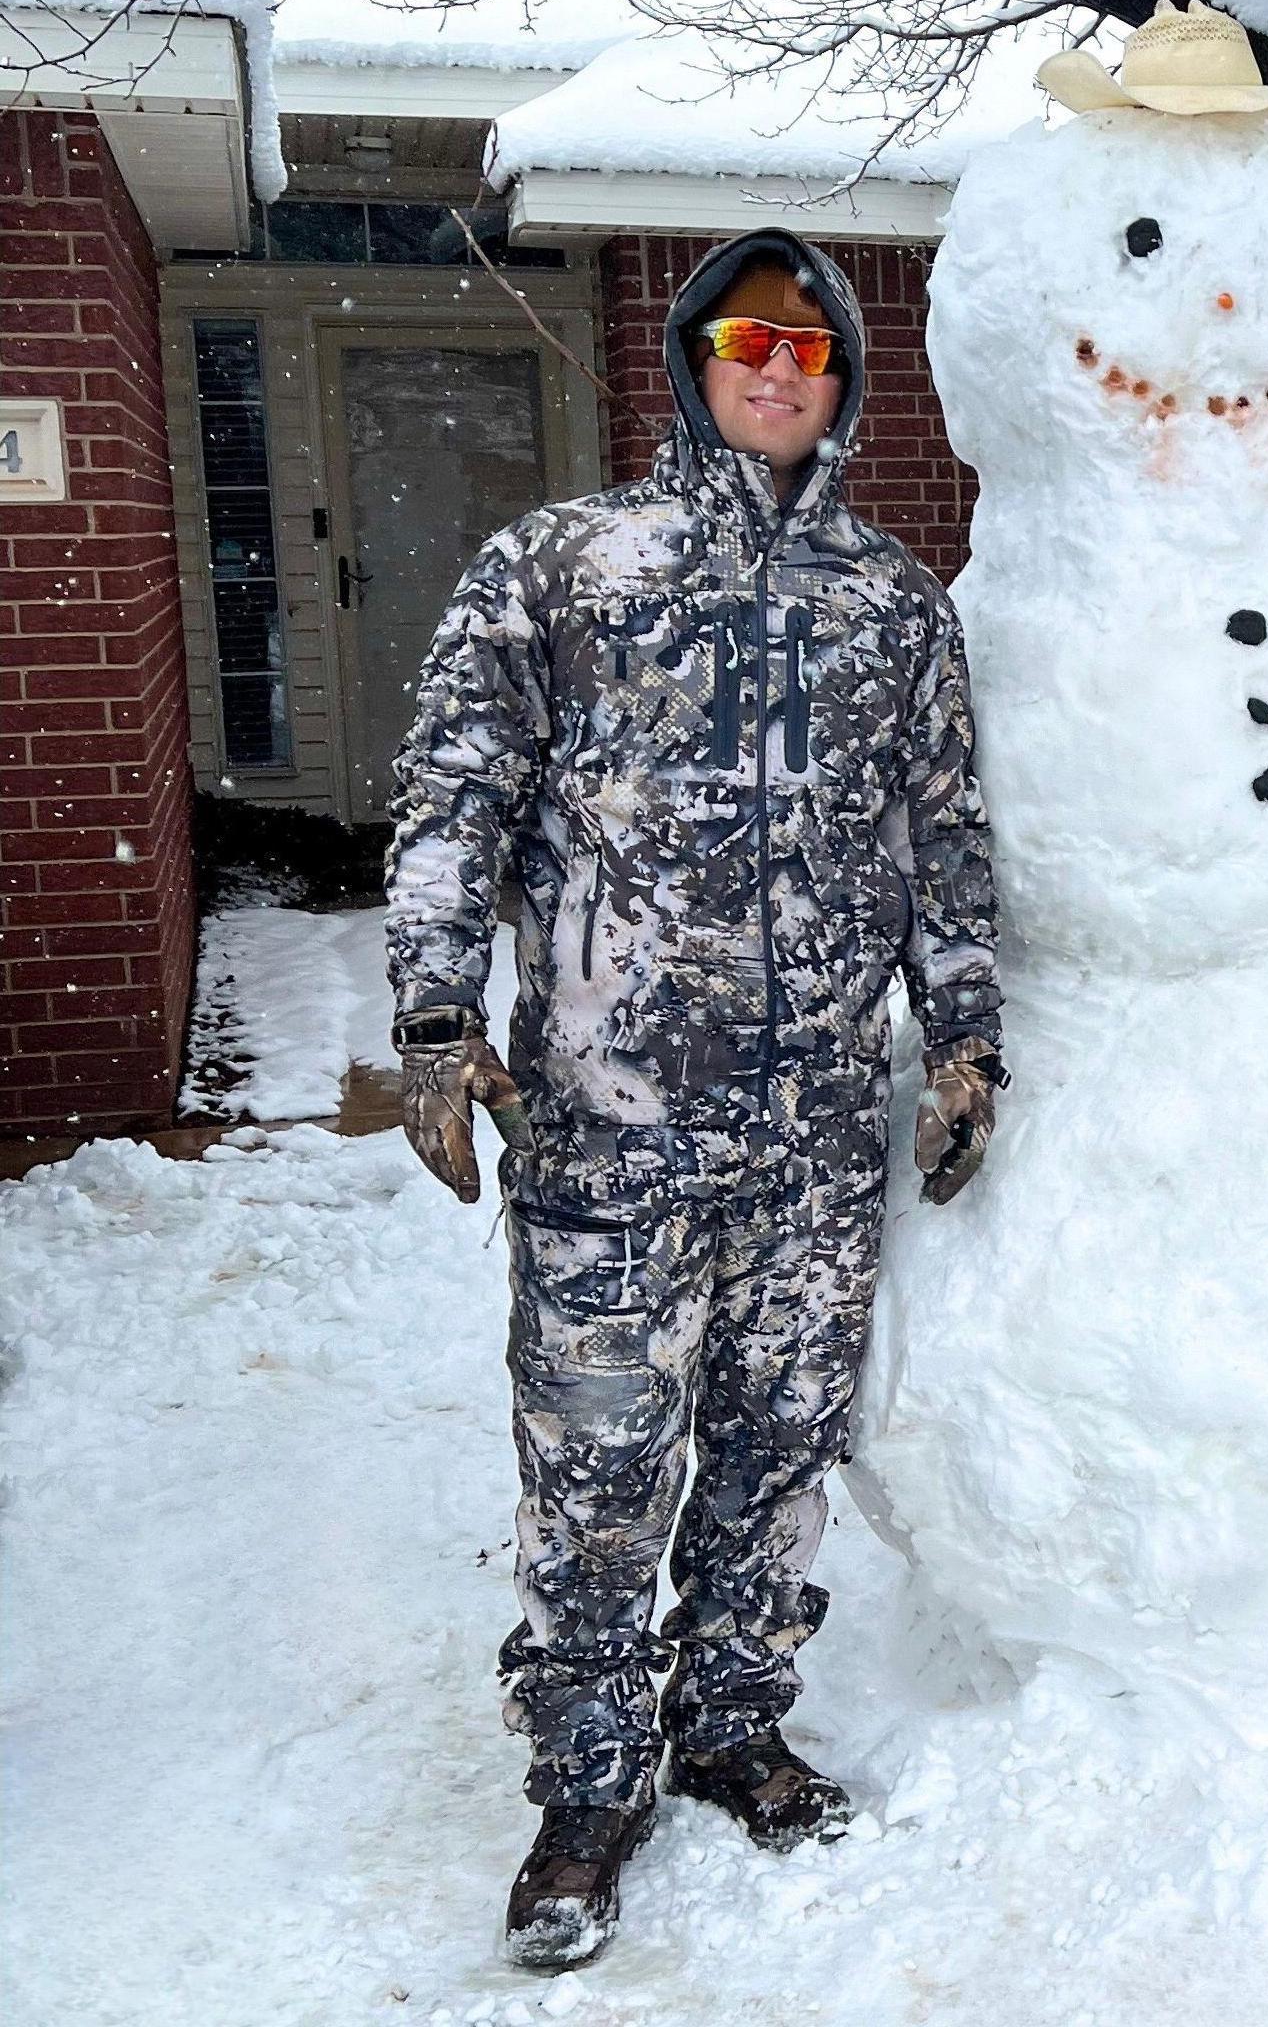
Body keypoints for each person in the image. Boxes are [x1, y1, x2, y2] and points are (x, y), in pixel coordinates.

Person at [386, 229, 1003, 1972]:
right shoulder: (563, 568)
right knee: (594, 1468)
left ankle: (730, 1718)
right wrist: (436, 1014)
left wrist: (964, 1036)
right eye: (748, 336)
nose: (779, 366)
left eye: (812, 348)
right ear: (689, 355)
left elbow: (942, 842)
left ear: (847, 383)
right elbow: (456, 797)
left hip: (814, 1136)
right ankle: (588, 1784)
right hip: (608, 1127)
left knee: (773, 1453)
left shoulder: (894, 605)